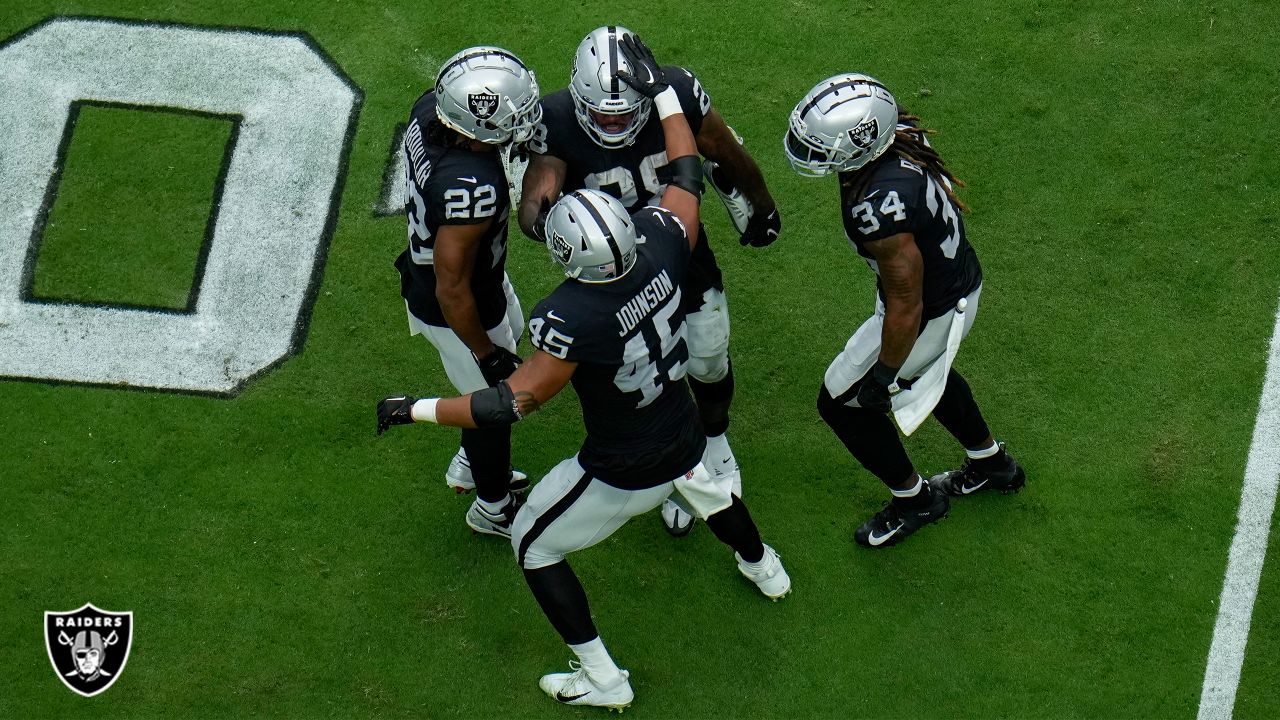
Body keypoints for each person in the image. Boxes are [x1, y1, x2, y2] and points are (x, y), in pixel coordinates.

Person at [378, 35, 790, 710]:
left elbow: (512, 401)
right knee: (705, 478)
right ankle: (763, 565)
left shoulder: (567, 317)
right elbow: (686, 175)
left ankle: (604, 679)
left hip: (623, 464)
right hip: (678, 427)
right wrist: (664, 98)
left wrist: (413, 408)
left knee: (534, 546)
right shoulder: (663, 240)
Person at [518, 25, 782, 537]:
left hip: (679, 251)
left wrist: (761, 204)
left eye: (623, 112)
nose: (612, 122)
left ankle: (715, 440)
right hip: (609, 276)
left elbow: (723, 148)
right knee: (637, 376)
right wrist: (537, 215)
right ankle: (673, 458)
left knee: (708, 354)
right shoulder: (554, 116)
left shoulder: (675, 91)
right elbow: (541, 184)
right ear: (578, 96)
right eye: (600, 112)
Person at [783, 73, 1025, 549]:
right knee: (928, 373)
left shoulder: (876, 206)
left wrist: (883, 372)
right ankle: (991, 464)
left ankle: (916, 501)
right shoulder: (900, 143)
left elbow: (906, 303)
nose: (811, 154)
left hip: (926, 311)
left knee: (841, 405)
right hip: (955, 287)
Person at [393, 46, 542, 537]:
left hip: (473, 280)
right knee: (496, 405)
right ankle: (492, 506)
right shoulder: (470, 185)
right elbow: (452, 287)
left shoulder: (428, 112)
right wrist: (484, 351)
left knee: (512, 339)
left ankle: (467, 460)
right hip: (459, 303)